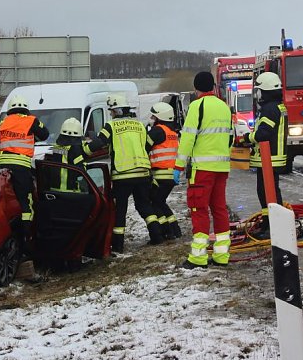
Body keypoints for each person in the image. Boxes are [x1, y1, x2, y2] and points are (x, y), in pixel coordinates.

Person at [87, 94, 163, 251]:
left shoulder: (111, 126)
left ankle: (118, 245)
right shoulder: (140, 125)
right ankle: (157, 236)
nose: (111, 114)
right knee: (145, 206)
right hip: (142, 172)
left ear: (116, 111)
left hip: (123, 175)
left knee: (120, 210)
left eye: (112, 111)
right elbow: (146, 145)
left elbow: (100, 142)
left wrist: (82, 150)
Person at [175, 71, 233, 269]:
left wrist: (179, 165)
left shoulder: (196, 106)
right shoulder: (224, 107)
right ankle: (221, 255)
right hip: (222, 167)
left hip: (202, 168)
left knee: (198, 209)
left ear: (196, 88)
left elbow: (188, 138)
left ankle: (198, 258)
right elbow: (230, 137)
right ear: (213, 87)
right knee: (219, 209)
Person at [240, 71, 287, 239]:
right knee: (268, 192)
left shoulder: (269, 109)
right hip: (272, 157)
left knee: (268, 193)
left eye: (259, 90)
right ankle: (269, 223)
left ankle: (274, 226)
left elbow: (263, 133)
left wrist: (247, 138)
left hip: (270, 158)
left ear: (264, 90)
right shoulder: (277, 107)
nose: (258, 94)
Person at [0, 95, 49, 242]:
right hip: (21, 166)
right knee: (26, 202)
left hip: (1, 166)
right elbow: (44, 134)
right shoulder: (31, 120)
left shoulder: (2, 122)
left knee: (5, 199)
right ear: (26, 108)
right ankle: (27, 237)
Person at [146, 102, 182, 239]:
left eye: (153, 116)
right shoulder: (172, 133)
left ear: (160, 117)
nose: (152, 118)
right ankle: (175, 229)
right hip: (171, 175)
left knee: (154, 203)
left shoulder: (157, 131)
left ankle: (167, 231)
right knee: (160, 202)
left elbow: (144, 148)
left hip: (160, 174)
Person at [43, 117, 88, 193]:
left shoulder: (56, 149)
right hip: (70, 192)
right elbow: (80, 171)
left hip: (53, 191)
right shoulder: (75, 150)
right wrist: (85, 164)